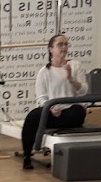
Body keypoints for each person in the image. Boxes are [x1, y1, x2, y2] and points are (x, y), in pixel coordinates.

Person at [21, 34, 87, 170]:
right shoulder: (44, 72)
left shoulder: (76, 65)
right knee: (32, 116)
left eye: (66, 44)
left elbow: (83, 91)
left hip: (70, 111)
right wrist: (51, 109)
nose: (64, 47)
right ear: (51, 49)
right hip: (51, 110)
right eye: (60, 44)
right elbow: (41, 98)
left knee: (78, 111)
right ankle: (27, 156)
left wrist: (70, 78)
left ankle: (48, 125)